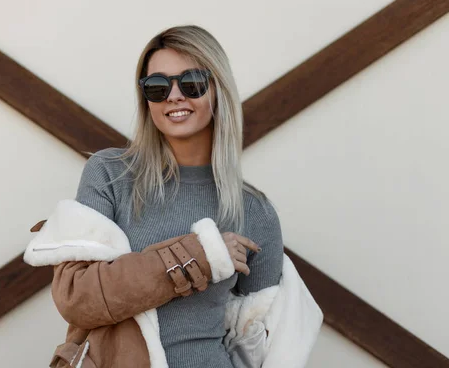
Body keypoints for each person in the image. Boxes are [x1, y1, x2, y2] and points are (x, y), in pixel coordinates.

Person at [24, 25, 322, 368]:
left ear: (217, 89)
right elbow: (77, 297)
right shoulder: (111, 174)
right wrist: (201, 255)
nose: (174, 96)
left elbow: (263, 340)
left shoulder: (253, 210)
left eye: (192, 83)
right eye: (157, 87)